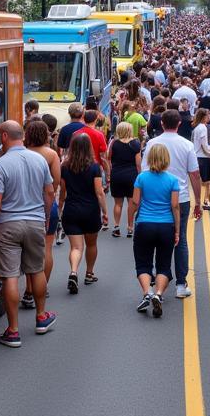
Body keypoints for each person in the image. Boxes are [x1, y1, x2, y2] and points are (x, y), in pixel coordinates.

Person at [0, 122, 57, 347]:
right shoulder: (39, 160)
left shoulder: (1, 164)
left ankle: (13, 331)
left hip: (8, 224)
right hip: (35, 221)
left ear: (5, 136)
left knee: (10, 276)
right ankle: (41, 317)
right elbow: (49, 192)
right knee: (36, 270)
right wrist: (45, 217)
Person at [153, 109, 201, 299]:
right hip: (180, 198)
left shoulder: (152, 143)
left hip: (157, 198)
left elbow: (144, 172)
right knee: (180, 239)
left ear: (162, 124)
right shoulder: (187, 145)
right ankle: (181, 284)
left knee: (159, 241)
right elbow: (194, 175)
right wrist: (198, 201)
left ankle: (159, 284)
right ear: (179, 124)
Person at [130, 144, 181, 318]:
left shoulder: (142, 178)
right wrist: (177, 230)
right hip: (166, 225)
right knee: (164, 264)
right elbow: (175, 206)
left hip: (145, 224)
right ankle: (159, 293)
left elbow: (135, 202)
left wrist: (131, 222)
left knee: (143, 263)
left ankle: (147, 293)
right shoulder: (173, 180)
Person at [20, 120, 62, 311]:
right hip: (46, 204)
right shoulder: (51, 155)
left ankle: (29, 290)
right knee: (46, 248)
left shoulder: (21, 154)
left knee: (26, 251)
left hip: (24, 204)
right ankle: (41, 288)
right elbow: (55, 184)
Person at [59, 133, 108, 293]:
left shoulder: (64, 167)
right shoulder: (94, 167)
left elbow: (63, 192)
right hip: (90, 210)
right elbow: (99, 192)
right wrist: (105, 211)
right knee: (91, 244)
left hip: (71, 210)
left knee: (76, 247)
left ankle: (73, 272)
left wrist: (60, 208)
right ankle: (89, 273)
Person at [108, 122, 141, 239]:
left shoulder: (114, 143)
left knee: (118, 203)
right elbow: (138, 163)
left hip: (117, 174)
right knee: (131, 202)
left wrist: (110, 173)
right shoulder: (135, 144)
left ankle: (116, 226)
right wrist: (140, 176)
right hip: (131, 175)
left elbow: (109, 158)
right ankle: (130, 227)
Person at [191, 108, 210, 210]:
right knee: (207, 181)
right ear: (204, 117)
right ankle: (205, 202)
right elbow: (204, 145)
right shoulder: (202, 128)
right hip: (203, 157)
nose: (209, 116)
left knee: (204, 181)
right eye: (207, 115)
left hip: (198, 156)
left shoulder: (198, 127)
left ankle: (204, 201)